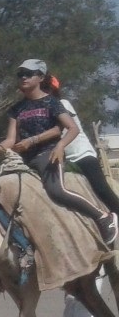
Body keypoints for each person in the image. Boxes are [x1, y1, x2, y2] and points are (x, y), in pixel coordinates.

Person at [0, 59, 117, 246]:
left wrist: (59, 146)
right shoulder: (16, 109)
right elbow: (10, 140)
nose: (23, 77)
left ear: (40, 77)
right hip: (24, 160)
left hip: (49, 155)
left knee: (58, 191)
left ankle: (103, 217)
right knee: (1, 189)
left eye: (28, 73)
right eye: (20, 74)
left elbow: (69, 129)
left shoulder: (53, 103)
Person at [41, 76, 119, 216]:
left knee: (101, 189)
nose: (44, 92)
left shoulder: (62, 104)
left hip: (81, 155)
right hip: (61, 159)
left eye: (46, 89)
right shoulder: (38, 112)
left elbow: (58, 129)